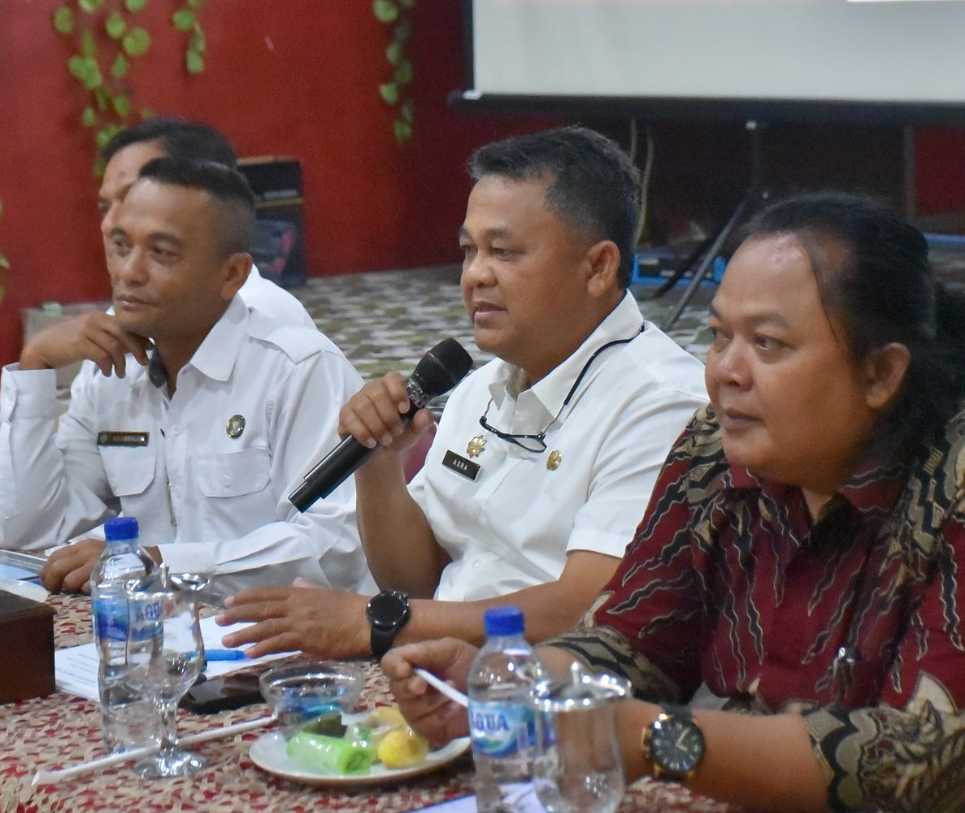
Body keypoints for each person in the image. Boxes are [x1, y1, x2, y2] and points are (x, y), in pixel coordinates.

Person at [385, 193, 965, 813]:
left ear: (880, 373)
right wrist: (510, 682)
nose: (726, 373)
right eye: (719, 337)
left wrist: (651, 737)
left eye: (767, 343)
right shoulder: (714, 452)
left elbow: (924, 768)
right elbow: (633, 642)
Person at [217, 126, 707, 660]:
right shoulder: (482, 385)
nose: (474, 275)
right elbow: (418, 580)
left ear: (598, 267)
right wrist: (379, 465)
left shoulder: (661, 402)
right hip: (434, 666)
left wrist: (382, 624)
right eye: (469, 250)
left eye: (503, 252)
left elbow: (591, 605)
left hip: (547, 695)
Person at [0, 157, 369, 595]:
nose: (130, 272)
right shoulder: (112, 372)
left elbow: (336, 547)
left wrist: (162, 563)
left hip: (283, 638)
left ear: (232, 274)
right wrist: (34, 366)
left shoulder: (297, 369)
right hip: (156, 633)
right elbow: (29, 531)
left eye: (162, 253)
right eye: (122, 246)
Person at [24, 117, 314, 391]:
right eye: (104, 207)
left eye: (131, 197)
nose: (110, 225)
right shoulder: (122, 324)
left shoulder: (274, 337)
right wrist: (35, 361)